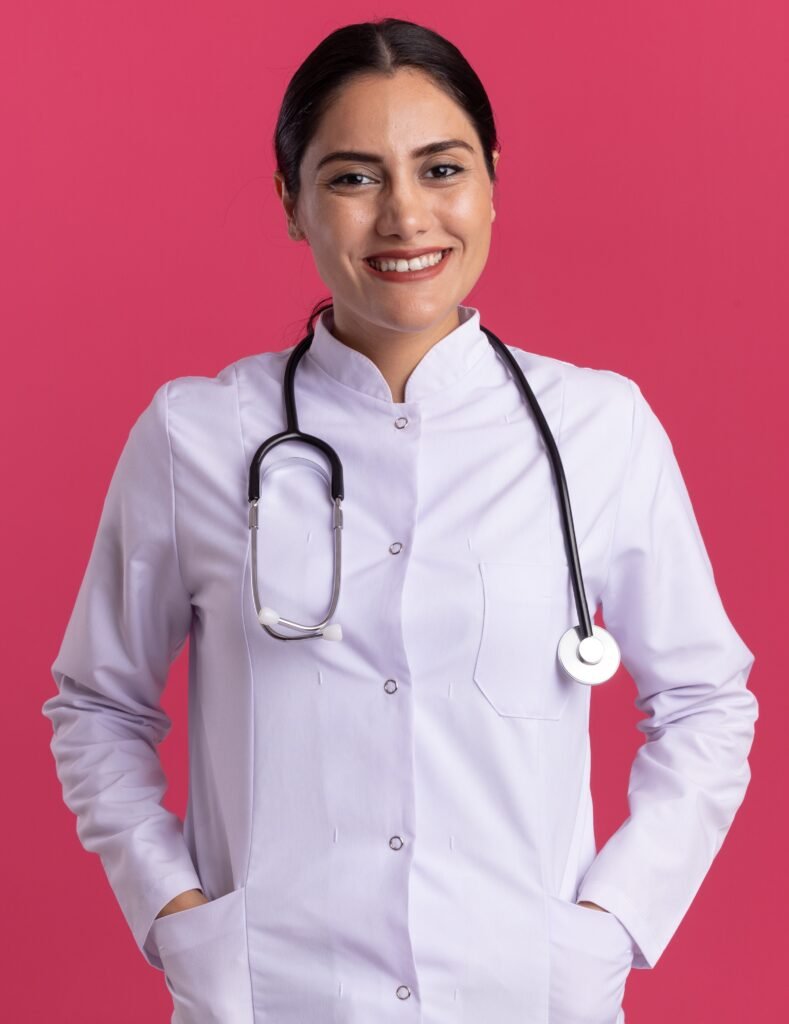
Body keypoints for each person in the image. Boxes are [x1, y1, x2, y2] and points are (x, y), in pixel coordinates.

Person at [41, 16, 758, 1024]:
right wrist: (176, 916)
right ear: (291, 202)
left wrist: (612, 922)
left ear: (494, 183)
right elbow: (97, 706)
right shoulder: (195, 435)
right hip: (276, 999)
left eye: (441, 168)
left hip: (522, 997)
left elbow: (706, 703)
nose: (406, 217)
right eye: (352, 177)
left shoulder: (600, 428)